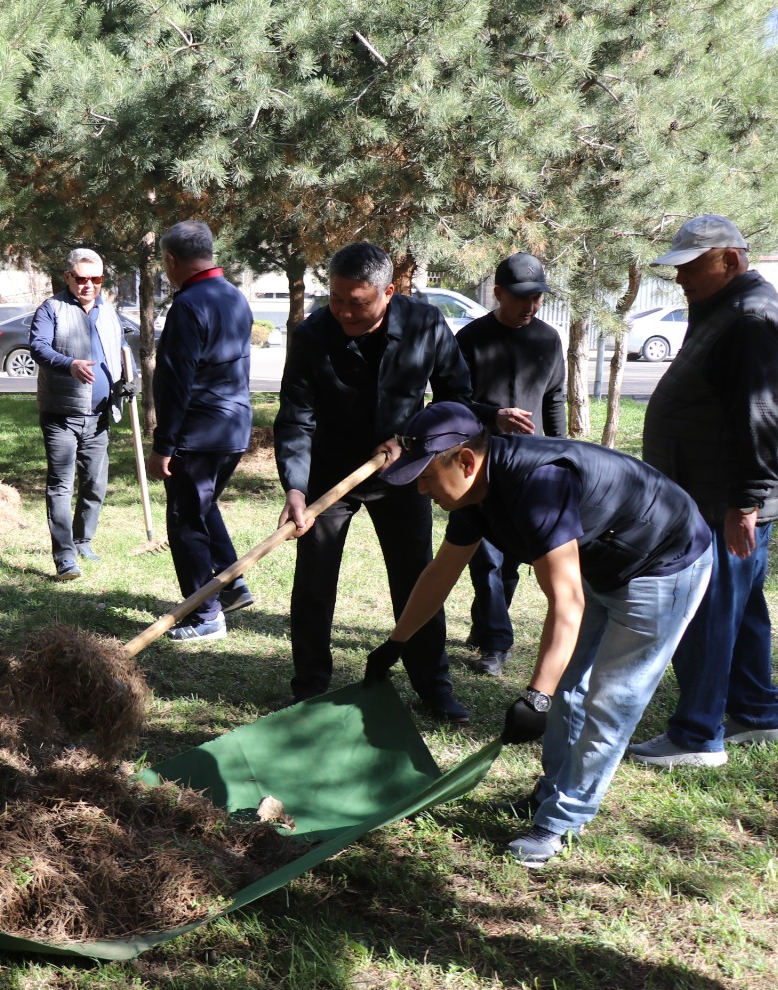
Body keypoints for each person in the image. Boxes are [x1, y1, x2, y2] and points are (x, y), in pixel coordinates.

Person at [365, 402, 712, 867]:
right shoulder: (475, 493)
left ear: (465, 461)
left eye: (425, 475)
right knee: (568, 686)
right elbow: (440, 574)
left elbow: (566, 602)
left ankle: (561, 822)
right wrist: (396, 643)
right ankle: (548, 796)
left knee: (610, 701)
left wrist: (536, 698)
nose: (420, 488)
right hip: (604, 559)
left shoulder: (538, 484)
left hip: (664, 563)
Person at [276, 241, 525, 719]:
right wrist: (296, 487)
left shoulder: (424, 324)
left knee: (415, 577)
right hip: (330, 474)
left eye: (359, 301)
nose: (346, 311)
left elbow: (455, 399)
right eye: (337, 298)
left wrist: (411, 441)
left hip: (405, 473)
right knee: (314, 578)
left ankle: (434, 686)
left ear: (389, 291)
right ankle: (309, 687)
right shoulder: (311, 336)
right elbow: (296, 417)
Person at [629, 214, 778, 769]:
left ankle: (698, 735)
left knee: (707, 611)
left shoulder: (751, 318)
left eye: (691, 267)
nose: (681, 279)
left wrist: (744, 504)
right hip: (715, 495)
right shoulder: (729, 308)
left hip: (722, 500)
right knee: (743, 606)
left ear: (730, 259)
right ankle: (758, 712)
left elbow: (760, 418)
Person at [455, 253, 567, 676]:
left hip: (532, 465)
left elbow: (555, 398)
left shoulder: (548, 339)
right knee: (485, 555)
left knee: (513, 557)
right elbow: (452, 401)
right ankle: (497, 643)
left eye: (537, 298)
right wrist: (492, 415)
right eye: (522, 298)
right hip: (478, 464)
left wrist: (562, 452)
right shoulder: (470, 339)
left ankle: (486, 623)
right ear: (498, 293)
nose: (530, 306)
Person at [147, 221, 253, 641]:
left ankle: (204, 615)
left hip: (199, 430)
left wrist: (165, 444)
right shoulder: (234, 297)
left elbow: (175, 381)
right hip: (234, 427)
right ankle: (231, 584)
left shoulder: (189, 305)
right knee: (204, 506)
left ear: (171, 261)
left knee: (186, 519)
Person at [30, 247, 139, 579]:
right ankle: (64, 556)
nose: (88, 285)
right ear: (68, 277)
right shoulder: (52, 309)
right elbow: (38, 347)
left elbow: (120, 352)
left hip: (100, 415)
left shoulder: (109, 312)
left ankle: (83, 541)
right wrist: (70, 365)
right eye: (81, 278)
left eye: (96, 279)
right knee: (62, 484)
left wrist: (128, 382)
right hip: (61, 414)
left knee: (95, 483)